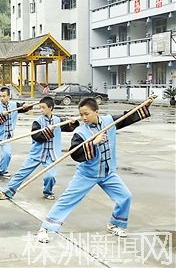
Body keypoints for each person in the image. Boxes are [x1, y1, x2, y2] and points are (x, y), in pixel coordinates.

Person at [36, 97, 154, 243]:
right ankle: (45, 228)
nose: (84, 118)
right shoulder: (80, 132)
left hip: (107, 173)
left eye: (87, 114)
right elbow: (76, 154)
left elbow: (127, 117)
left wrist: (144, 105)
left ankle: (115, 224)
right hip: (87, 174)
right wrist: (93, 143)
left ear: (97, 112)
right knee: (67, 200)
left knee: (125, 196)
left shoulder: (109, 121)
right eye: (81, 115)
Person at [0, 96, 79, 201]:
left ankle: (47, 191)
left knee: (50, 176)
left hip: (51, 154)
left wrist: (73, 123)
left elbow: (69, 128)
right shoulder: (37, 121)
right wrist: (47, 130)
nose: (41, 110)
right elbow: (36, 136)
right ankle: (7, 192)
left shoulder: (58, 120)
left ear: (50, 108)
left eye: (43, 107)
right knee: (21, 173)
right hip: (37, 153)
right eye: (40, 107)